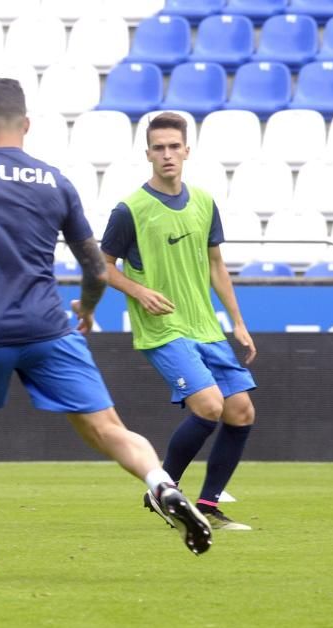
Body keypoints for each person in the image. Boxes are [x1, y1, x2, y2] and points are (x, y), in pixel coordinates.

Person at [0, 78, 213, 574]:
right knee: (107, 427)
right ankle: (162, 485)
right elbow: (96, 267)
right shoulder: (56, 181)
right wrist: (89, 310)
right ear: (26, 124)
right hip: (49, 327)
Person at [101, 112, 257, 532]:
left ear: (187, 150)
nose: (167, 154)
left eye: (174, 146)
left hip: (205, 326)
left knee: (240, 411)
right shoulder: (130, 209)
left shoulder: (204, 201)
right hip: (163, 329)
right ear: (147, 153)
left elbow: (216, 264)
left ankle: (206, 505)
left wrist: (238, 323)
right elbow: (102, 267)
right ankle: (162, 489)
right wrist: (139, 291)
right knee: (209, 405)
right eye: (159, 147)